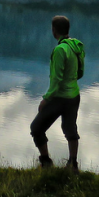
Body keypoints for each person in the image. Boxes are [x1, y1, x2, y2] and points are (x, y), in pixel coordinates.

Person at [30, 15, 85, 171]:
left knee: (36, 128)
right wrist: (71, 82)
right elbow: (80, 72)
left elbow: (56, 79)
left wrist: (46, 99)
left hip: (59, 98)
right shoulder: (76, 46)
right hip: (74, 96)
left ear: (54, 30)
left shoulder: (60, 50)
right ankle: (73, 164)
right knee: (70, 129)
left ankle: (46, 162)